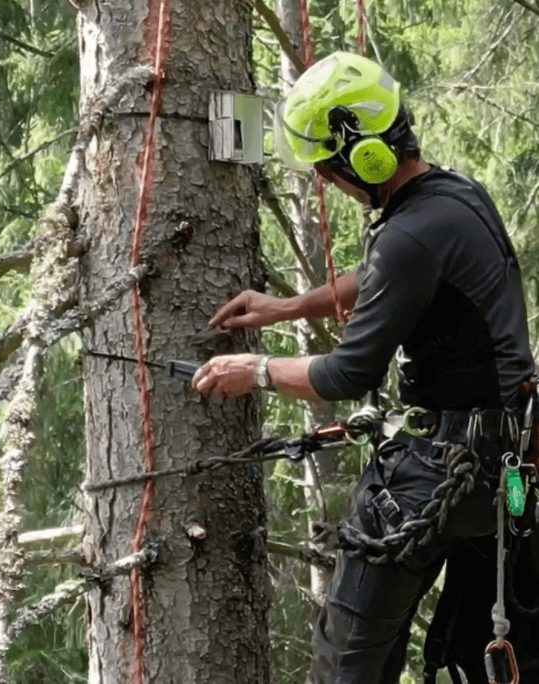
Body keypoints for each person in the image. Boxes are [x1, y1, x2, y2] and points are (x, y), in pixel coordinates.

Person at [191, 51, 538, 684]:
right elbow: (386, 276)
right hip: (506, 472)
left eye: (327, 169)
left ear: (365, 158)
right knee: (476, 656)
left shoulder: (409, 235)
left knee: (346, 667)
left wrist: (257, 369)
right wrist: (289, 306)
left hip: (439, 472)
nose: (326, 182)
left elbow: (346, 375)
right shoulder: (452, 195)